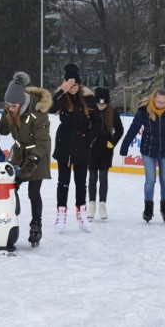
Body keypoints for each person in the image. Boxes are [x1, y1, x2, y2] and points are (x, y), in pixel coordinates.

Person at [0, 71, 52, 248]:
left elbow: (43, 141)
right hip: (19, 154)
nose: (9, 108)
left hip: (38, 155)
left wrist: (32, 161)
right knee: (11, 186)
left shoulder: (38, 113)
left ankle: (36, 225)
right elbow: (5, 129)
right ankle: (5, 220)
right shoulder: (9, 110)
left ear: (21, 103)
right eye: (7, 105)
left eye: (13, 106)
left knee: (33, 192)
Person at [119, 88, 165, 223]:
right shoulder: (144, 110)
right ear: (153, 99)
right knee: (150, 180)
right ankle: (148, 209)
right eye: (159, 102)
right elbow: (133, 129)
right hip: (148, 150)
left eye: (164, 102)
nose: (162, 105)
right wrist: (124, 146)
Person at [48, 64, 102, 233]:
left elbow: (98, 122)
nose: (72, 89)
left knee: (81, 183)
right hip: (64, 143)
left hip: (82, 144)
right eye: (69, 86)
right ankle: (61, 215)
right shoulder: (62, 98)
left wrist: (88, 140)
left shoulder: (88, 99)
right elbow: (50, 109)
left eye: (75, 86)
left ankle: (82, 215)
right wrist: (61, 91)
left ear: (80, 85)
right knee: (63, 183)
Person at [87, 87, 124, 220]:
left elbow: (119, 130)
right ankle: (92, 204)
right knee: (92, 177)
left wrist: (112, 143)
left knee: (103, 177)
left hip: (106, 150)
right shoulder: (90, 111)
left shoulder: (112, 112)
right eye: (98, 104)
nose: (101, 106)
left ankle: (102, 204)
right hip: (91, 149)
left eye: (103, 104)